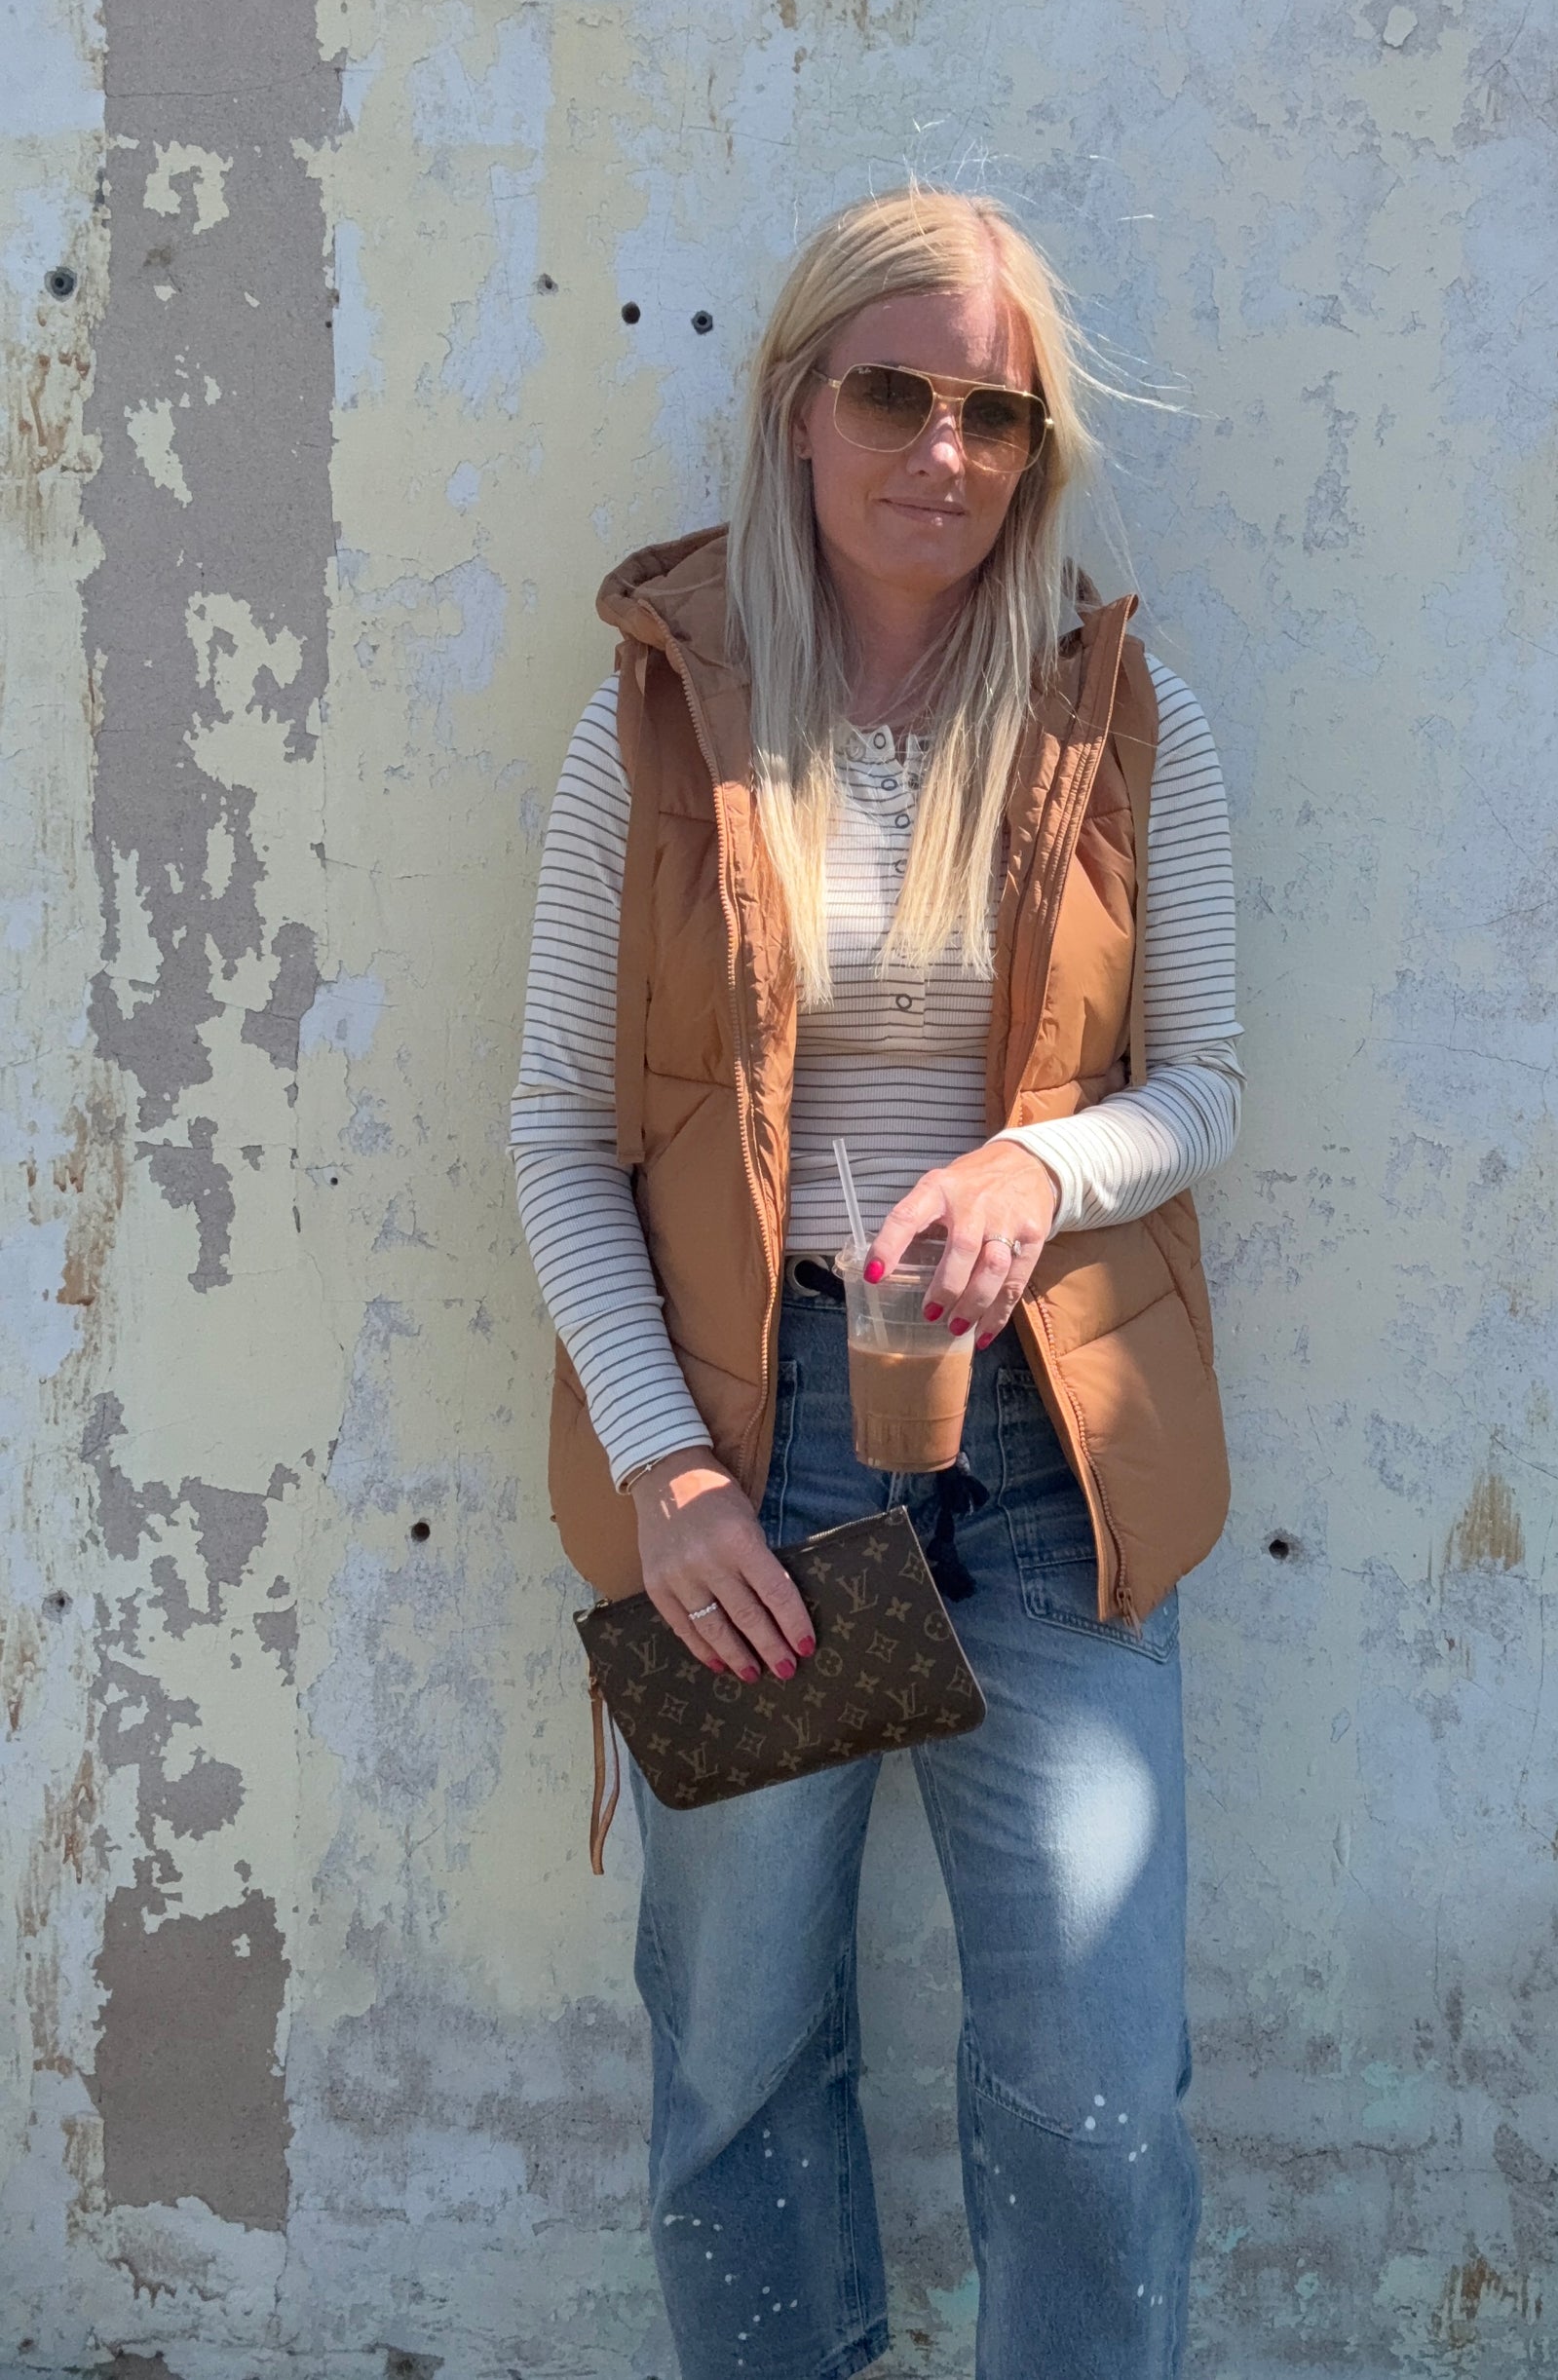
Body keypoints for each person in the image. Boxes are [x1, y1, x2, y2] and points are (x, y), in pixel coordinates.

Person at [511, 186, 1242, 2380]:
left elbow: (1200, 1082)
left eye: (993, 413)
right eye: (893, 394)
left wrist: (1036, 1162)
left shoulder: (1125, 720)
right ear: (795, 407)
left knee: (1093, 2084)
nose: (943, 450)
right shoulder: (652, 729)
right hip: (760, 1449)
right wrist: (670, 1475)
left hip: (1051, 1452)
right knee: (738, 2053)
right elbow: (560, 1130)